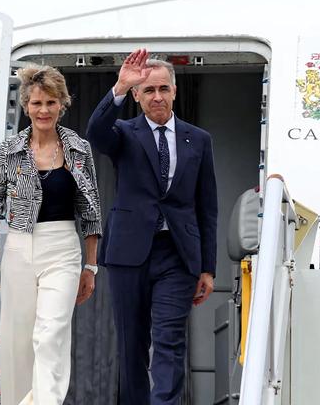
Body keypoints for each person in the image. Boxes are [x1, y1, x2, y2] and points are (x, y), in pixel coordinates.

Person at [86, 49, 218, 405]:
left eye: (163, 89)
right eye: (148, 90)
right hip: (129, 253)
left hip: (177, 254)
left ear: (174, 91)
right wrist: (118, 86)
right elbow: (95, 133)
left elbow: (207, 206)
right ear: (137, 96)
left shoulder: (198, 139)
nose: (157, 96)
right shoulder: (124, 133)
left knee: (170, 337)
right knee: (132, 343)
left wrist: (208, 266)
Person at [0, 65, 102, 405]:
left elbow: (91, 211)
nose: (43, 110)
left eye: (50, 102)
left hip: (63, 247)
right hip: (18, 246)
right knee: (18, 341)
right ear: (26, 106)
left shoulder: (78, 147)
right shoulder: (9, 150)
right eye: (36, 103)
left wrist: (90, 267)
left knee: (50, 336)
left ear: (62, 104)